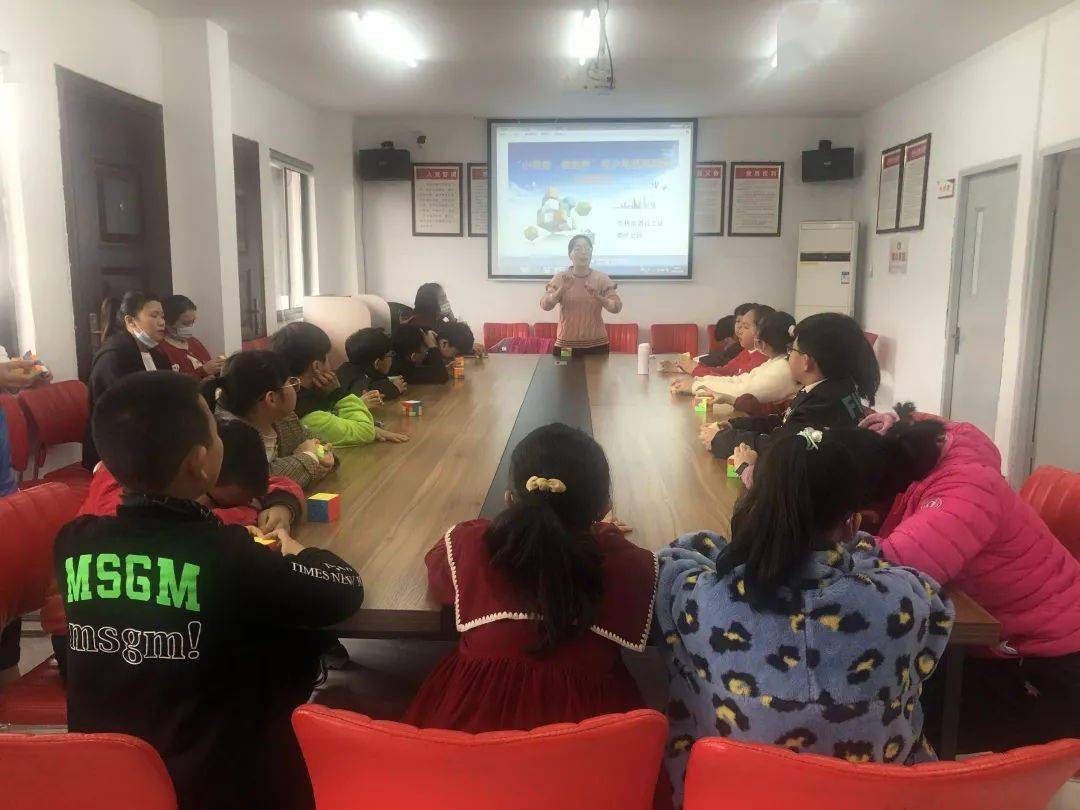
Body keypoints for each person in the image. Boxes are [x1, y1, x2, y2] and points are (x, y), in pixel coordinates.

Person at [54, 371, 365, 809]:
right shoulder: (226, 553)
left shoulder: (73, 543)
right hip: (214, 784)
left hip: (108, 782)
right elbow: (345, 588)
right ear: (200, 462)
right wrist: (296, 550)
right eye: (216, 433)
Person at [656, 428, 953, 806]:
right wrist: (855, 555)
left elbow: (674, 561)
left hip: (731, 798)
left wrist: (744, 546)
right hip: (871, 800)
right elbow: (924, 598)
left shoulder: (701, 600)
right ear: (852, 522)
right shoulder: (902, 604)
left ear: (755, 506)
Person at [837, 405, 1080, 753]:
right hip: (1004, 647)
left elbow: (894, 569)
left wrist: (808, 544)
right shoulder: (927, 455)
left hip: (1051, 671)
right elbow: (916, 419)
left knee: (886, 713)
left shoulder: (963, 490)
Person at [403, 423, 657, 733]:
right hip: (585, 740)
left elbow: (438, 569)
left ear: (509, 498)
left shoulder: (471, 545)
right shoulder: (624, 562)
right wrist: (603, 533)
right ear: (604, 507)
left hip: (470, 735)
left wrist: (508, 527)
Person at [703, 312, 880, 465]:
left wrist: (723, 440)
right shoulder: (832, 389)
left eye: (791, 349)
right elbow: (785, 423)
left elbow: (779, 448)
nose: (788, 356)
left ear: (806, 362)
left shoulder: (822, 406)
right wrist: (734, 425)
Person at [77, 419, 305, 534]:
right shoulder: (120, 498)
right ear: (195, 468)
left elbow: (279, 483)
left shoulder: (179, 471)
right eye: (221, 503)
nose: (246, 504)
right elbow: (155, 531)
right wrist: (246, 514)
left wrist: (283, 506)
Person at [205, 350, 334, 490]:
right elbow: (259, 482)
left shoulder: (283, 418)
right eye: (291, 382)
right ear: (271, 398)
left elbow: (318, 442)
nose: (296, 388)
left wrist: (321, 456)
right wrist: (310, 457)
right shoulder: (230, 435)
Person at [272, 322, 407, 445]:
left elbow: (336, 421)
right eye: (327, 359)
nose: (330, 366)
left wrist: (372, 428)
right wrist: (338, 394)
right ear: (316, 366)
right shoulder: (308, 413)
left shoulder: (295, 396)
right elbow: (365, 431)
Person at [83, 291, 172, 470]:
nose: (162, 322)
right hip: (118, 447)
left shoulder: (158, 356)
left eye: (162, 316)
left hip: (151, 436)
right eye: (154, 316)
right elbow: (124, 411)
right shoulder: (113, 357)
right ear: (130, 321)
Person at [672, 311, 797, 407]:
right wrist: (699, 381)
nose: (738, 331)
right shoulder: (774, 361)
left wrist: (696, 386)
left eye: (745, 327)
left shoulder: (781, 368)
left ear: (762, 341)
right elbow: (738, 380)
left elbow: (743, 392)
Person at [539, 234, 622, 357]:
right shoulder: (561, 278)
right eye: (578, 249)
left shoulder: (601, 278)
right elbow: (545, 305)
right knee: (564, 370)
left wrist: (598, 297)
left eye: (588, 249)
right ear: (570, 254)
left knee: (597, 371)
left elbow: (616, 307)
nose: (584, 252)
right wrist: (562, 289)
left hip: (597, 346)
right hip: (566, 345)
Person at [404, 282, 486, 356]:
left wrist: (451, 317)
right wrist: (467, 347)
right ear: (431, 303)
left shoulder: (438, 321)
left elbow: (457, 339)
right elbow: (442, 351)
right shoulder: (418, 324)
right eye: (443, 298)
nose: (447, 302)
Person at [158, 294, 224, 379]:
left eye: (192, 322)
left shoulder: (194, 342)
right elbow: (170, 383)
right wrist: (203, 372)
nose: (190, 327)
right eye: (185, 323)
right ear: (167, 323)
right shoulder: (160, 350)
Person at [389, 322, 475, 385]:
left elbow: (430, 370)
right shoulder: (400, 365)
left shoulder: (416, 341)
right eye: (455, 353)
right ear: (444, 343)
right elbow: (441, 376)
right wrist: (432, 347)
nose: (455, 358)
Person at [337, 327, 407, 402]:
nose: (392, 358)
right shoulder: (362, 382)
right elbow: (371, 391)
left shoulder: (347, 369)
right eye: (390, 354)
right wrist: (395, 389)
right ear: (377, 363)